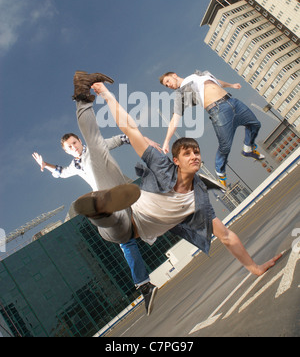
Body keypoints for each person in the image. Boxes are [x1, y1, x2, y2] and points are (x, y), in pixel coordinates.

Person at [73, 77, 281, 287]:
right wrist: (108, 96)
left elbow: (226, 236)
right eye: (187, 154)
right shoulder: (162, 165)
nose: (194, 157)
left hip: (128, 229)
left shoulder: (199, 200)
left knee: (117, 225)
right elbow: (130, 129)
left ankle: (98, 212)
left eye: (197, 153)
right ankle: (82, 96)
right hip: (128, 209)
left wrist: (255, 268)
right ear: (175, 161)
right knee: (97, 150)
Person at [32, 71, 158, 315]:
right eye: (70, 147)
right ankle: (144, 285)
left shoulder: (95, 146)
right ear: (68, 152)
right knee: (126, 241)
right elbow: (60, 173)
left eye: (75, 143)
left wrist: (146, 143)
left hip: (123, 189)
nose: (75, 147)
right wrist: (45, 165)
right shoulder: (73, 166)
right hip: (110, 203)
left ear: (80, 141)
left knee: (153, 216)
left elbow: (123, 138)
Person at [159, 70, 265, 188]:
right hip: (218, 110)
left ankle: (248, 148)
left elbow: (216, 82)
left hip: (231, 101)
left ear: (174, 75)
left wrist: (231, 85)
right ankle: (220, 173)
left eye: (167, 81)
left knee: (254, 124)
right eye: (166, 86)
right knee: (225, 146)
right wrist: (166, 142)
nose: (169, 85)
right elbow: (175, 118)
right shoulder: (181, 94)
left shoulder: (198, 75)